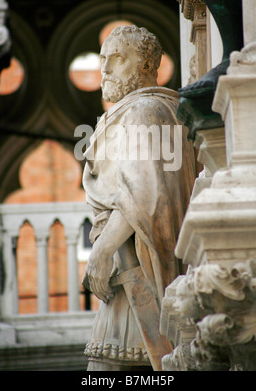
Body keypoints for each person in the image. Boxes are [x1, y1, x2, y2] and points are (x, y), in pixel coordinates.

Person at [82, 25, 196, 371]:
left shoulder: (145, 110)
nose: (105, 70)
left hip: (140, 280)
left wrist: (101, 251)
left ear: (146, 64)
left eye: (117, 60)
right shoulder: (138, 111)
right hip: (124, 277)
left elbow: (143, 193)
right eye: (103, 61)